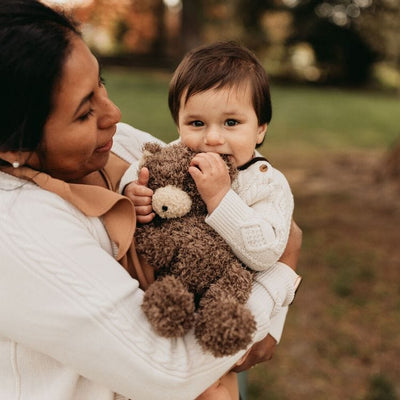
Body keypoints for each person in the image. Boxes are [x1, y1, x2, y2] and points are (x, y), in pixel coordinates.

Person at [0, 1, 301, 399]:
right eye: (84, 112)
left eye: (101, 82)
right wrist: (283, 272)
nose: (114, 113)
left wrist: (268, 324)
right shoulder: (18, 229)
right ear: (12, 146)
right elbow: (168, 370)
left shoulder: (118, 141)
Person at [125, 41, 301, 399]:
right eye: (196, 123)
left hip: (227, 306)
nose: (212, 138)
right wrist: (133, 190)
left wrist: (220, 198)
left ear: (261, 129)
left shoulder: (267, 183)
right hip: (170, 302)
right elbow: (144, 166)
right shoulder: (178, 156)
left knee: (218, 390)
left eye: (232, 122)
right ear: (178, 123)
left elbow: (266, 252)